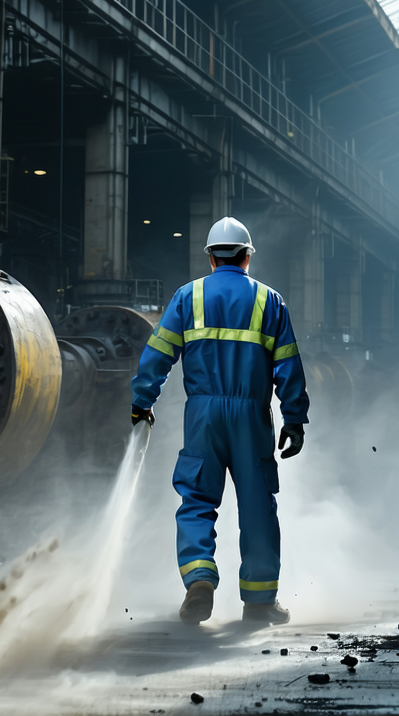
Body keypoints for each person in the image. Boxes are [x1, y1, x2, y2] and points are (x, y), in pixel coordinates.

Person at [130, 216, 310, 626]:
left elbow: (156, 355)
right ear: (247, 256)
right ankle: (260, 602)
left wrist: (143, 402)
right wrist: (294, 418)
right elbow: (288, 366)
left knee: (196, 500)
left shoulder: (187, 297)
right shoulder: (270, 301)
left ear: (211, 257)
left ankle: (199, 579)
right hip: (251, 417)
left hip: (203, 416)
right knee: (257, 507)